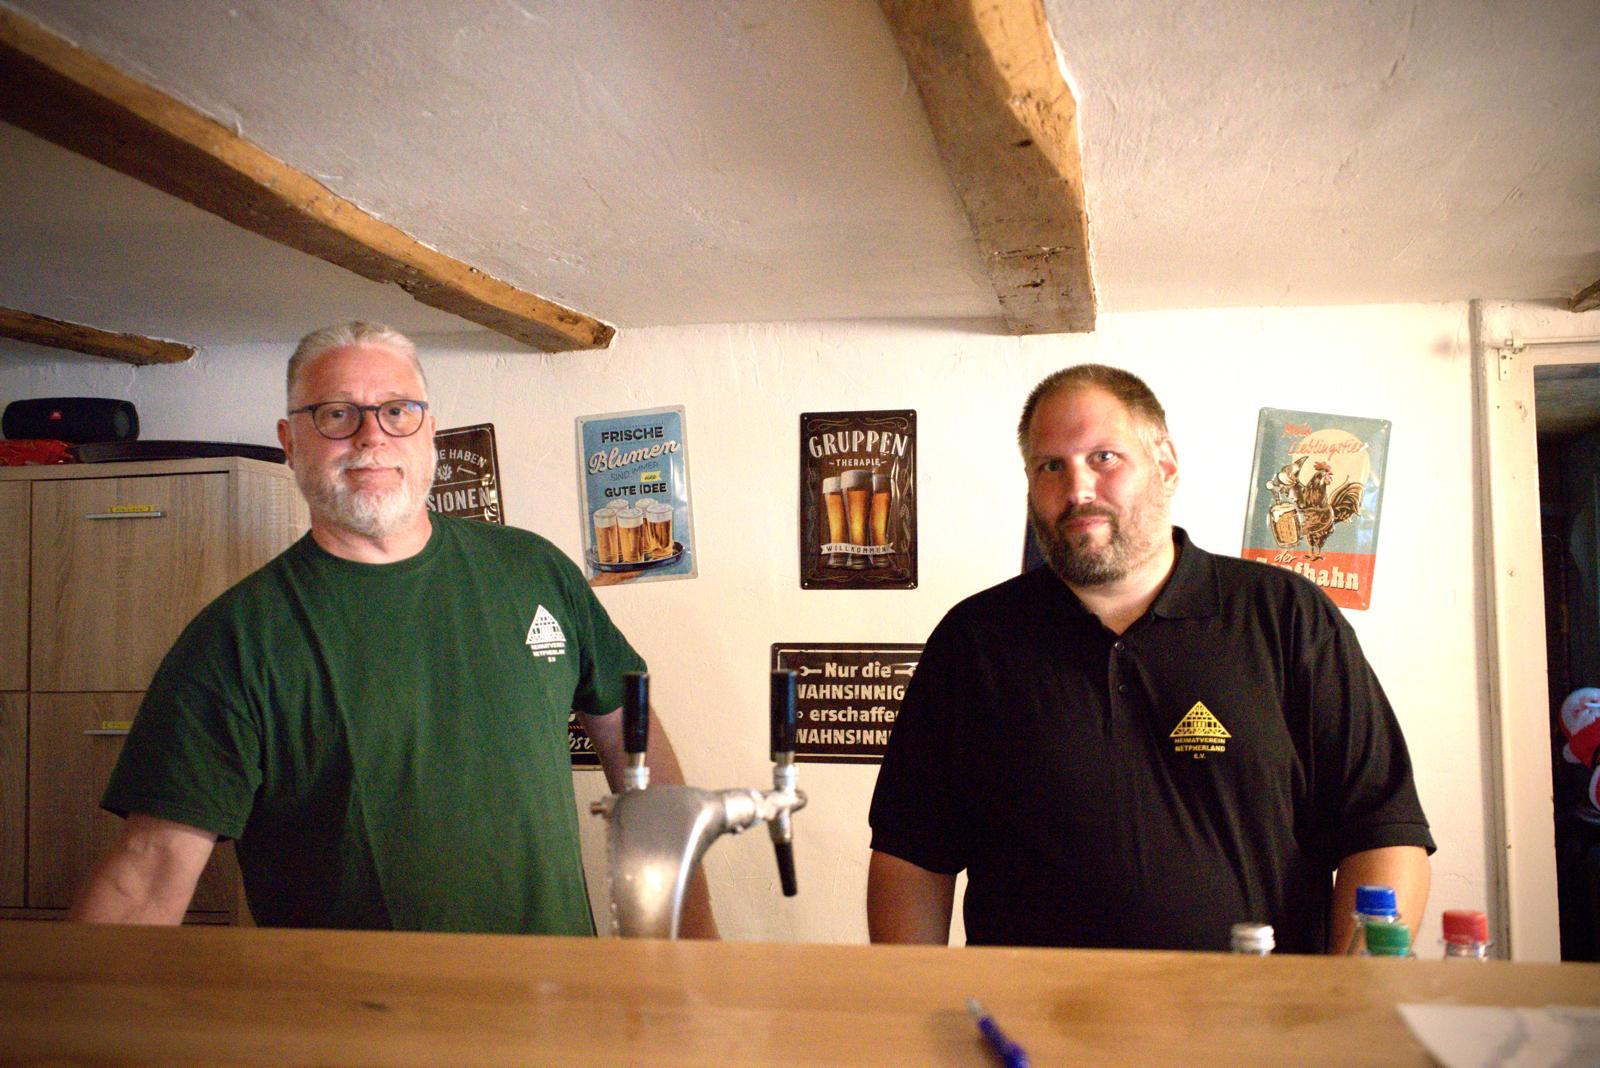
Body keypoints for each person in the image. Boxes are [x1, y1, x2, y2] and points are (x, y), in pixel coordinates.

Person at [71, 321, 715, 937]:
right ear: (290, 442)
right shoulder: (236, 639)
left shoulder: (535, 570)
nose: (371, 437)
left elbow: (636, 749)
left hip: (552, 992)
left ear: (428, 431)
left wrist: (689, 941)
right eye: (336, 414)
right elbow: (147, 874)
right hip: (352, 1007)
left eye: (397, 411)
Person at [866, 364, 1432, 953]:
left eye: (1104, 457)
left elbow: (1384, 834)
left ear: (1165, 463)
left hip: (1256, 1008)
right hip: (1027, 1010)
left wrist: (1350, 990)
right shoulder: (973, 641)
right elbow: (911, 857)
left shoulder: (1286, 616)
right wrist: (915, 1000)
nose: (1078, 489)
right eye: (1051, 466)